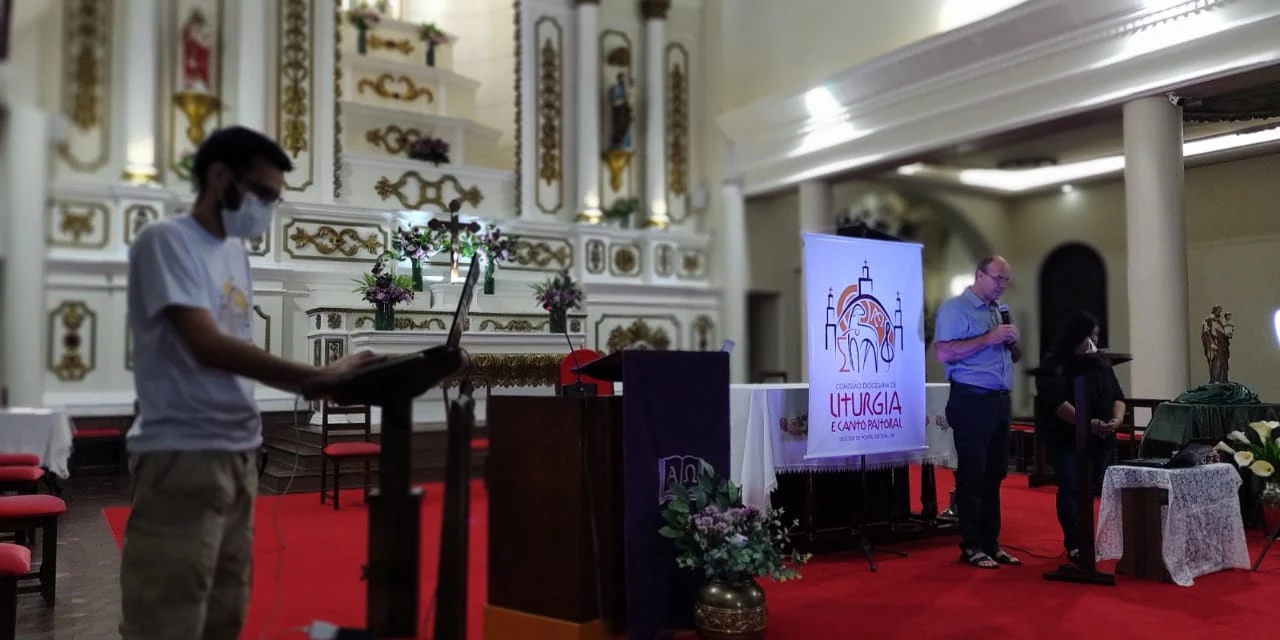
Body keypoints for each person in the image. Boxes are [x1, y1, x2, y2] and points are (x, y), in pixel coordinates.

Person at [120, 126, 378, 640]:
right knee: (168, 617)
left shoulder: (235, 253)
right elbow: (206, 344)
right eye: (262, 193)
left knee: (226, 610)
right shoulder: (166, 241)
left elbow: (235, 343)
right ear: (220, 178)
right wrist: (313, 378)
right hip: (184, 455)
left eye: (274, 199)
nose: (267, 208)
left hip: (238, 453)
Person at [934, 256, 1021, 570]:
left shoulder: (998, 310)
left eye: (1005, 280)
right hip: (971, 399)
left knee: (995, 475)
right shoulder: (955, 309)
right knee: (974, 475)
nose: (1002, 285)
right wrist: (990, 338)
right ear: (979, 275)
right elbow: (944, 352)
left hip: (999, 401)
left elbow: (1015, 356)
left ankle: (991, 543)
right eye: (997, 278)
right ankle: (971, 546)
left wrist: (1012, 342)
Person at [1035, 311, 1125, 565]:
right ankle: (1075, 543)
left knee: (1093, 487)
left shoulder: (1101, 362)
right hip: (1067, 437)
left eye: (1095, 335)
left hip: (1101, 436)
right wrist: (1087, 423)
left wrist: (1117, 420)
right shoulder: (1055, 362)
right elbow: (1056, 402)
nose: (1093, 340)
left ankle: (1096, 540)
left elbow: (1118, 396)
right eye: (1089, 335)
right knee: (1071, 486)